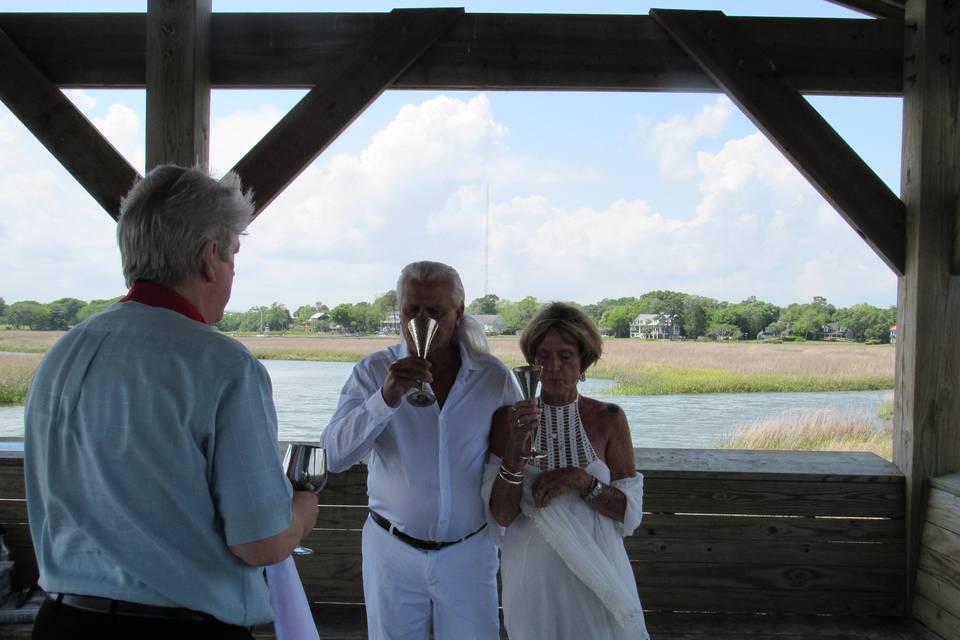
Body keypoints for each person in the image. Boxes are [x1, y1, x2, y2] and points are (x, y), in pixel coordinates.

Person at [24, 165, 319, 639]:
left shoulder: (62, 353)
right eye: (233, 257)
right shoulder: (222, 366)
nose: (232, 275)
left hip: (63, 619)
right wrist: (303, 512)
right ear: (209, 258)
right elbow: (260, 543)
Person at [321, 260, 520, 640]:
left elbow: (513, 456)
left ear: (458, 313)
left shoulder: (493, 377)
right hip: (391, 549)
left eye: (435, 312)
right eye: (412, 310)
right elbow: (334, 455)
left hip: (469, 549)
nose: (421, 320)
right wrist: (386, 397)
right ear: (399, 311)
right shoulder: (373, 371)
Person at [482, 302, 648, 640]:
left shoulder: (609, 418)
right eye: (542, 356)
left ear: (584, 362)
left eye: (565, 356)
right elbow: (501, 515)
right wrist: (514, 453)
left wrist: (582, 481)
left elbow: (629, 513)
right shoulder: (506, 420)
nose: (552, 366)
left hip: (597, 576)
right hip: (533, 581)